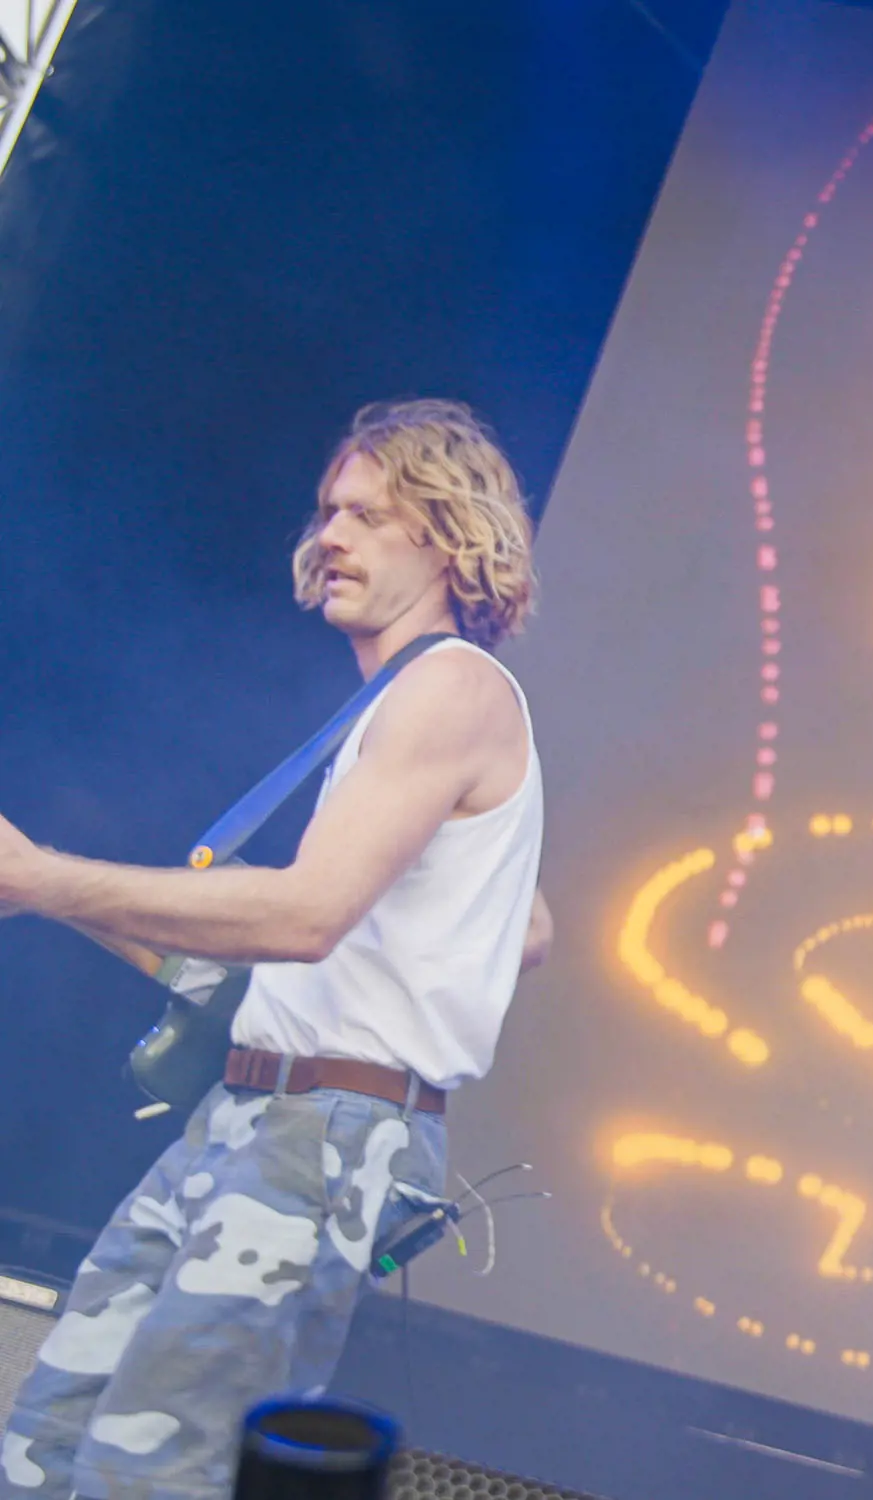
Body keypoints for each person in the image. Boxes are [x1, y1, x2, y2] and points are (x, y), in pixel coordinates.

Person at [0, 399, 550, 1500]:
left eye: (366, 514)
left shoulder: (452, 687)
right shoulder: (391, 715)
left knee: (156, 1475)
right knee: (50, 1452)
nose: (329, 535)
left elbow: (303, 920)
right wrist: (43, 889)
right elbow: (527, 930)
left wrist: (42, 879)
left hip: (327, 1132)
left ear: (443, 535)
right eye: (327, 511)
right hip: (255, 1118)